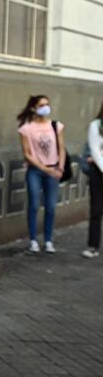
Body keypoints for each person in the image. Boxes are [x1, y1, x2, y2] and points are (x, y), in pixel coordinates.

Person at [17, 95, 65, 254]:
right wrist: (45, 169)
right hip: (35, 171)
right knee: (34, 205)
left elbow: (61, 148)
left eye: (47, 104)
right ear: (34, 108)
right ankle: (33, 241)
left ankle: (48, 240)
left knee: (51, 206)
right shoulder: (26, 128)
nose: (45, 108)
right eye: (41, 105)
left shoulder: (55, 126)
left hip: (53, 170)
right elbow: (27, 154)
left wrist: (60, 168)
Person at [84, 100, 103, 259]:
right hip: (98, 172)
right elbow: (95, 150)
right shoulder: (96, 125)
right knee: (96, 209)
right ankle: (93, 246)